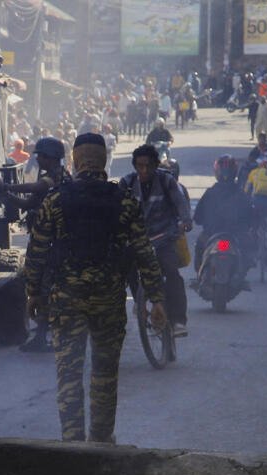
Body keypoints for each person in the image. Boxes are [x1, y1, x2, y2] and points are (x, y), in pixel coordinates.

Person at [23, 133, 166, 443]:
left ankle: (72, 445)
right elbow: (144, 253)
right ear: (103, 161)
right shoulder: (125, 201)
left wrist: (33, 291)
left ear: (75, 161)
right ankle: (100, 442)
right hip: (109, 303)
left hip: (66, 302)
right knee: (104, 373)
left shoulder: (56, 200)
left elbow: (36, 252)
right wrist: (156, 298)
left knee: (69, 375)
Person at [0, 137, 71, 353]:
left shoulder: (56, 176)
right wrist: (5, 195)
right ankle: (44, 333)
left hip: (53, 243)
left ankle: (47, 336)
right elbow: (28, 204)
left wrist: (6, 185)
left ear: (51, 157)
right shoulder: (51, 176)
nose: (38, 159)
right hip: (45, 240)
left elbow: (36, 188)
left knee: (45, 288)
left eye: (41, 156)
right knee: (41, 288)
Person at [120, 144, 193, 337]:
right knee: (128, 270)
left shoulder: (167, 181)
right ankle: (139, 303)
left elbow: (180, 203)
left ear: (155, 165)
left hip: (164, 238)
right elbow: (115, 209)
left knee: (171, 272)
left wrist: (185, 220)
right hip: (136, 239)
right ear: (135, 165)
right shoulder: (126, 182)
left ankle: (178, 320)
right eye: (140, 166)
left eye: (148, 166)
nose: (144, 170)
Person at [192, 155, 257, 273]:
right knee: (249, 248)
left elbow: (197, 217)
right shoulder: (241, 194)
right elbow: (252, 216)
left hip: (213, 234)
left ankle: (199, 275)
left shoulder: (210, 193)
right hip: (235, 235)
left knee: (199, 247)